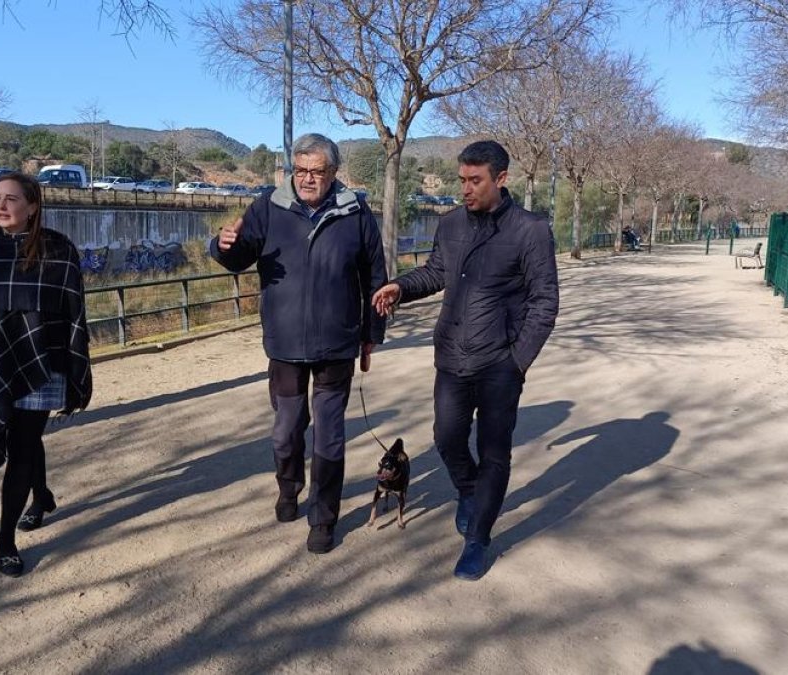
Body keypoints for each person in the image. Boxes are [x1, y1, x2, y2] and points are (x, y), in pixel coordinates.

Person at [372, 140, 559, 580]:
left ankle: (478, 538)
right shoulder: (452, 223)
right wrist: (401, 286)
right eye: (462, 180)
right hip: (451, 356)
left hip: (500, 365)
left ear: (501, 178)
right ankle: (469, 491)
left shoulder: (529, 230)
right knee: (446, 437)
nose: (466, 189)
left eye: (475, 181)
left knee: (494, 454)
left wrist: (518, 361)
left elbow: (544, 302)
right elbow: (437, 271)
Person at [210, 133, 387, 554]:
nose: (308, 179)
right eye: (301, 170)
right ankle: (288, 488)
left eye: (317, 171)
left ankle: (323, 517)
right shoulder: (268, 207)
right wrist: (222, 247)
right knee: (286, 432)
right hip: (285, 343)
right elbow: (240, 256)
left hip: (337, 346)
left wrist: (370, 335)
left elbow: (375, 277)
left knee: (329, 436)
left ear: (333, 172)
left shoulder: (356, 212)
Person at [0, 171, 92, 577]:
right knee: (15, 436)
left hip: (42, 367)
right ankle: (41, 496)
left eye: (11, 199)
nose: (1, 206)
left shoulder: (58, 251)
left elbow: (72, 313)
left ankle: (5, 539)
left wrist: (73, 366)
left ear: (32, 206)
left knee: (24, 445)